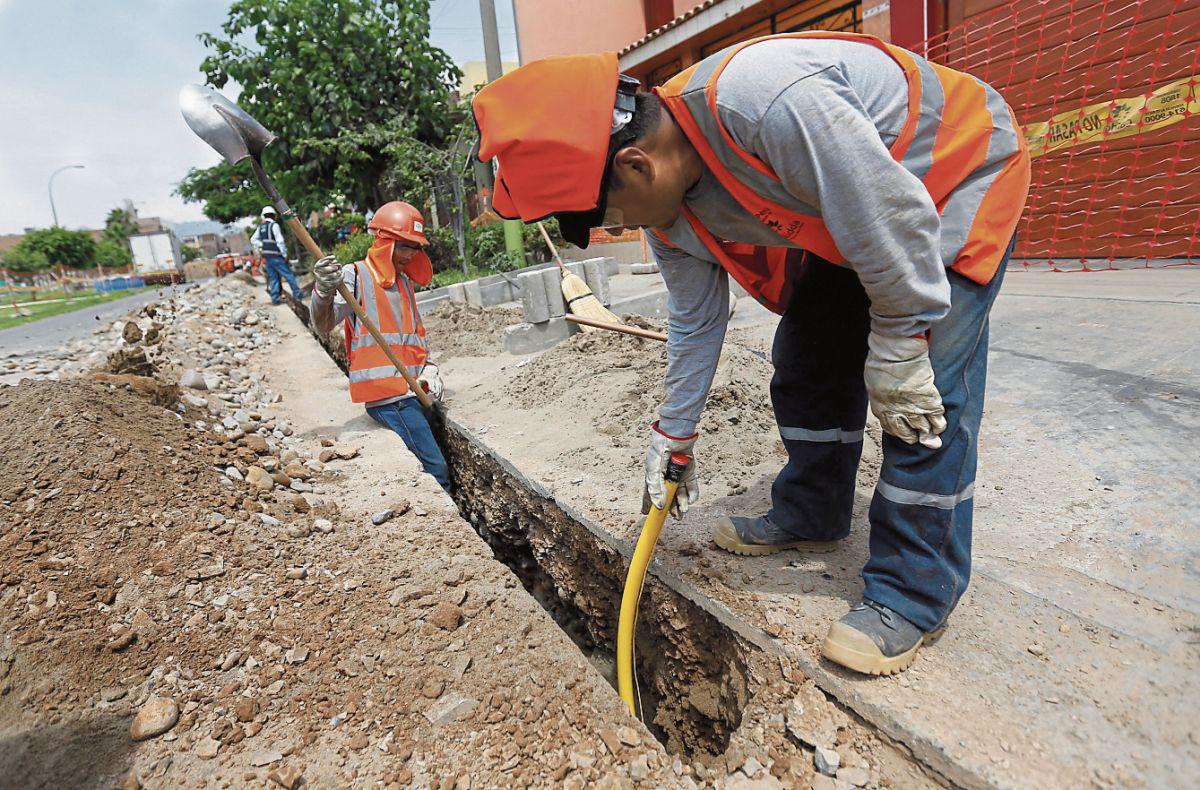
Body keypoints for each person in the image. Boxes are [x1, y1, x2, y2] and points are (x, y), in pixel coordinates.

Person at [472, 32, 1030, 675]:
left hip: (951, 177)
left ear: (635, 166)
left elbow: (890, 212)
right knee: (807, 354)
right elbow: (694, 319)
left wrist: (901, 344)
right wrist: (673, 432)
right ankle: (812, 512)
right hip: (862, 219)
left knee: (924, 393)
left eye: (614, 214)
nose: (624, 228)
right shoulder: (671, 208)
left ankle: (912, 592)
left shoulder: (765, 103)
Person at [309, 201, 450, 491]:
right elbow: (323, 325)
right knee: (437, 468)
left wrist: (428, 369)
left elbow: (413, 340)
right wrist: (323, 291)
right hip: (389, 398)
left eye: (416, 247)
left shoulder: (404, 283)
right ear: (384, 242)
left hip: (410, 391)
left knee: (437, 452)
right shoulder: (356, 275)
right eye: (404, 246)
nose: (410, 254)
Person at [253, 205, 303, 305]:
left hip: (267, 258)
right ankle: (297, 294)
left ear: (264, 216)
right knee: (288, 275)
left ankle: (275, 298)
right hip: (276, 256)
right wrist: (284, 254)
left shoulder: (261, 227)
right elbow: (280, 241)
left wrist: (263, 245)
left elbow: (253, 239)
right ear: (274, 216)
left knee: (273, 278)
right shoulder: (274, 225)